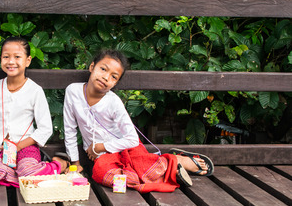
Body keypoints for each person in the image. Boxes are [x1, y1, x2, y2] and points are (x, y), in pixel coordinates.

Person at [63, 49, 214, 193]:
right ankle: (163, 171)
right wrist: (75, 163)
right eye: (103, 69)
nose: (106, 77)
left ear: (115, 83)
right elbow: (69, 129)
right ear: (92, 67)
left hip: (125, 148)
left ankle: (175, 161)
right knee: (100, 171)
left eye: (114, 77)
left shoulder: (113, 102)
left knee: (139, 163)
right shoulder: (73, 91)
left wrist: (101, 146)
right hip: (103, 158)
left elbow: (132, 140)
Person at [0, 36, 69, 187]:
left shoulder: (34, 90)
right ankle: (22, 177)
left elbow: (45, 128)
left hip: (26, 148)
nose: (11, 61)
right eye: (6, 57)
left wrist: (19, 146)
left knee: (27, 170)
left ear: (27, 61)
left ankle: (59, 165)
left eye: (17, 57)